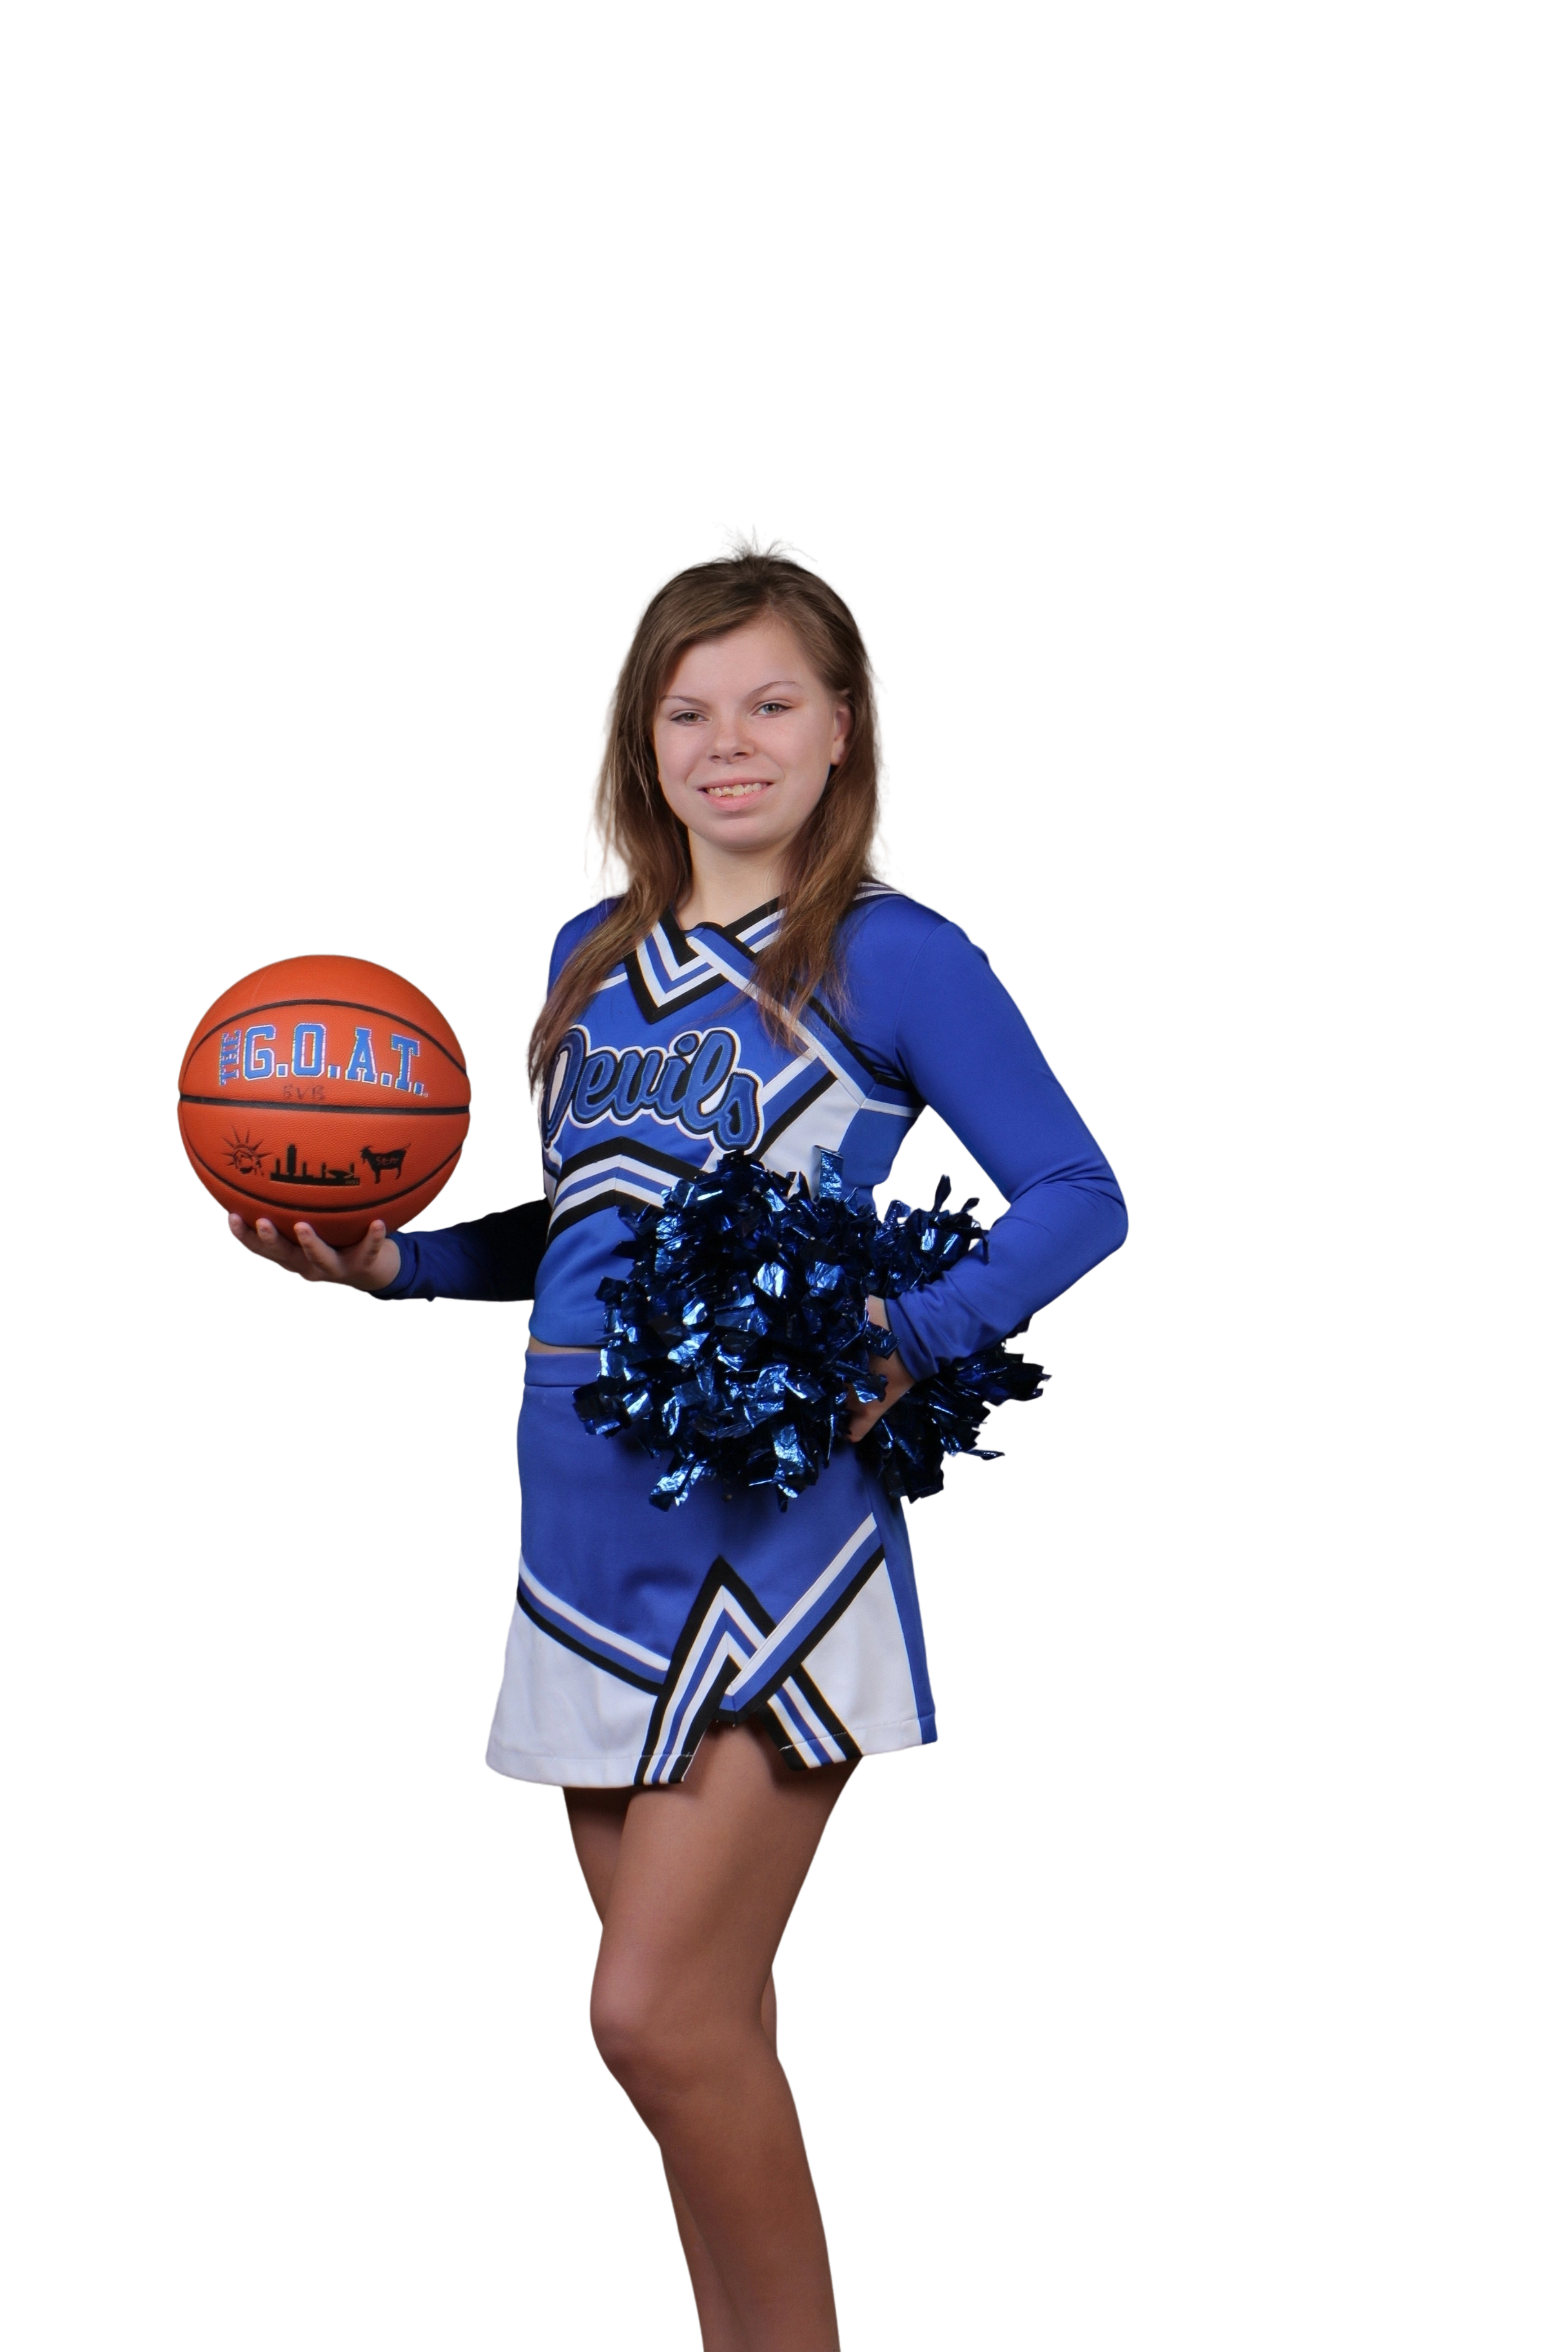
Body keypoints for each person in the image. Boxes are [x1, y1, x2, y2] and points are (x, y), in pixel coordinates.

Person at [226, 523, 1131, 2352]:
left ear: (845, 727)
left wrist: (909, 1338)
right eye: (689, 711)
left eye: (772, 704)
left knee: (655, 2021)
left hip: (767, 1550)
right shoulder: (589, 957)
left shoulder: (894, 955)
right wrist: (399, 1260)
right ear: (640, 743)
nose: (731, 745)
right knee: (701, 2051)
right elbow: (585, 1230)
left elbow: (1076, 1195)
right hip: (580, 1549)